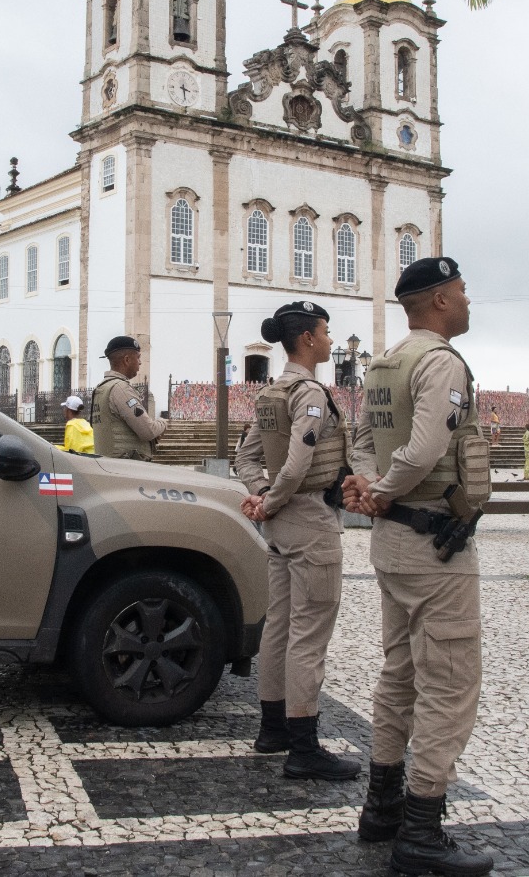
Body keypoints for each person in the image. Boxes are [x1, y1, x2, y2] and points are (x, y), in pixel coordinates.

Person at [342, 256, 494, 876]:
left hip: (393, 547)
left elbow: (359, 439)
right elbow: (429, 444)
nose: (466, 300)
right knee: (450, 684)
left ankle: (381, 808)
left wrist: (370, 483)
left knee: (399, 673)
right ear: (436, 301)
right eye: (461, 291)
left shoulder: (383, 364)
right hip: (434, 545)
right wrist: (386, 488)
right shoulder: (440, 362)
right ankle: (423, 829)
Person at [232, 300, 359, 782]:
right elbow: (300, 462)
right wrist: (273, 499)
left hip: (281, 525)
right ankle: (304, 749)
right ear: (307, 338)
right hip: (307, 518)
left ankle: (273, 729)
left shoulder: (270, 392)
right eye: (325, 332)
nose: (330, 340)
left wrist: (262, 496)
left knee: (279, 627)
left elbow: (245, 459)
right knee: (310, 634)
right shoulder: (308, 393)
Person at [89, 336, 167, 460]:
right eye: (138, 357)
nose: (140, 362)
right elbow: (148, 431)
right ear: (127, 360)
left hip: (109, 465)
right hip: (127, 469)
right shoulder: (120, 389)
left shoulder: (101, 388)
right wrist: (164, 423)